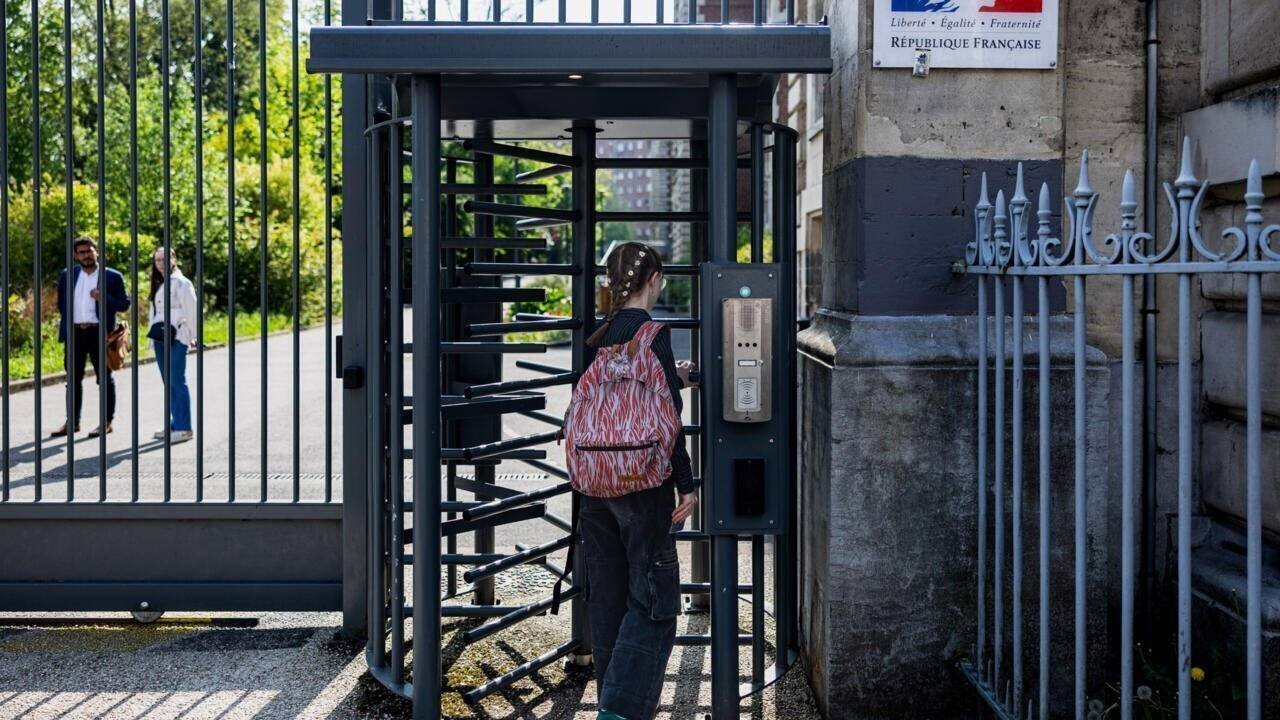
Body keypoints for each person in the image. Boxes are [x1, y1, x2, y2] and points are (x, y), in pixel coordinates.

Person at [577, 242, 699, 720]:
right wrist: (686, 484)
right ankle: (622, 713)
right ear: (654, 280)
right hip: (644, 486)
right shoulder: (654, 335)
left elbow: (597, 403)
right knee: (654, 602)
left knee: (607, 600)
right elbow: (669, 419)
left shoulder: (596, 335)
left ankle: (611, 699)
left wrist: (675, 378)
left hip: (593, 486)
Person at [51, 237, 131, 438]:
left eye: (89, 251)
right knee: (73, 379)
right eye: (81, 252)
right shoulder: (67, 275)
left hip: (100, 334)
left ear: (97, 252)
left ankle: (106, 422)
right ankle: (73, 422)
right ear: (75, 255)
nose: (86, 255)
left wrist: (103, 297)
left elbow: (124, 304)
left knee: (104, 378)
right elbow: (62, 304)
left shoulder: (112, 276)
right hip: (75, 333)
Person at [148, 247, 198, 443]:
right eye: (157, 260)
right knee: (168, 381)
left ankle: (185, 428)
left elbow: (192, 310)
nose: (160, 263)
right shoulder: (159, 283)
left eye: (163, 259)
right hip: (159, 337)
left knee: (177, 380)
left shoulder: (182, 283)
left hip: (178, 336)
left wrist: (194, 335)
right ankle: (175, 423)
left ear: (173, 259)